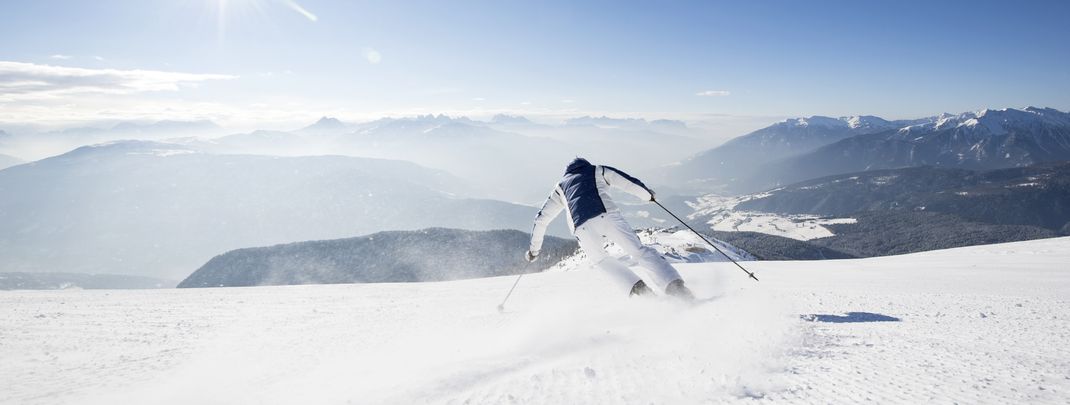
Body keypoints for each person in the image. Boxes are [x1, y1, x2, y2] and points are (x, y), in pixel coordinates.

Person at [525, 157, 694, 299]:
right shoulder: (597, 170)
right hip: (607, 215)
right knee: (639, 251)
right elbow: (627, 182)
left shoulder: (560, 187)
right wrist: (647, 195)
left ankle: (640, 292)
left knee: (601, 260)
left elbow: (541, 219)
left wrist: (534, 251)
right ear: (585, 165)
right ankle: (675, 287)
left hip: (582, 228)